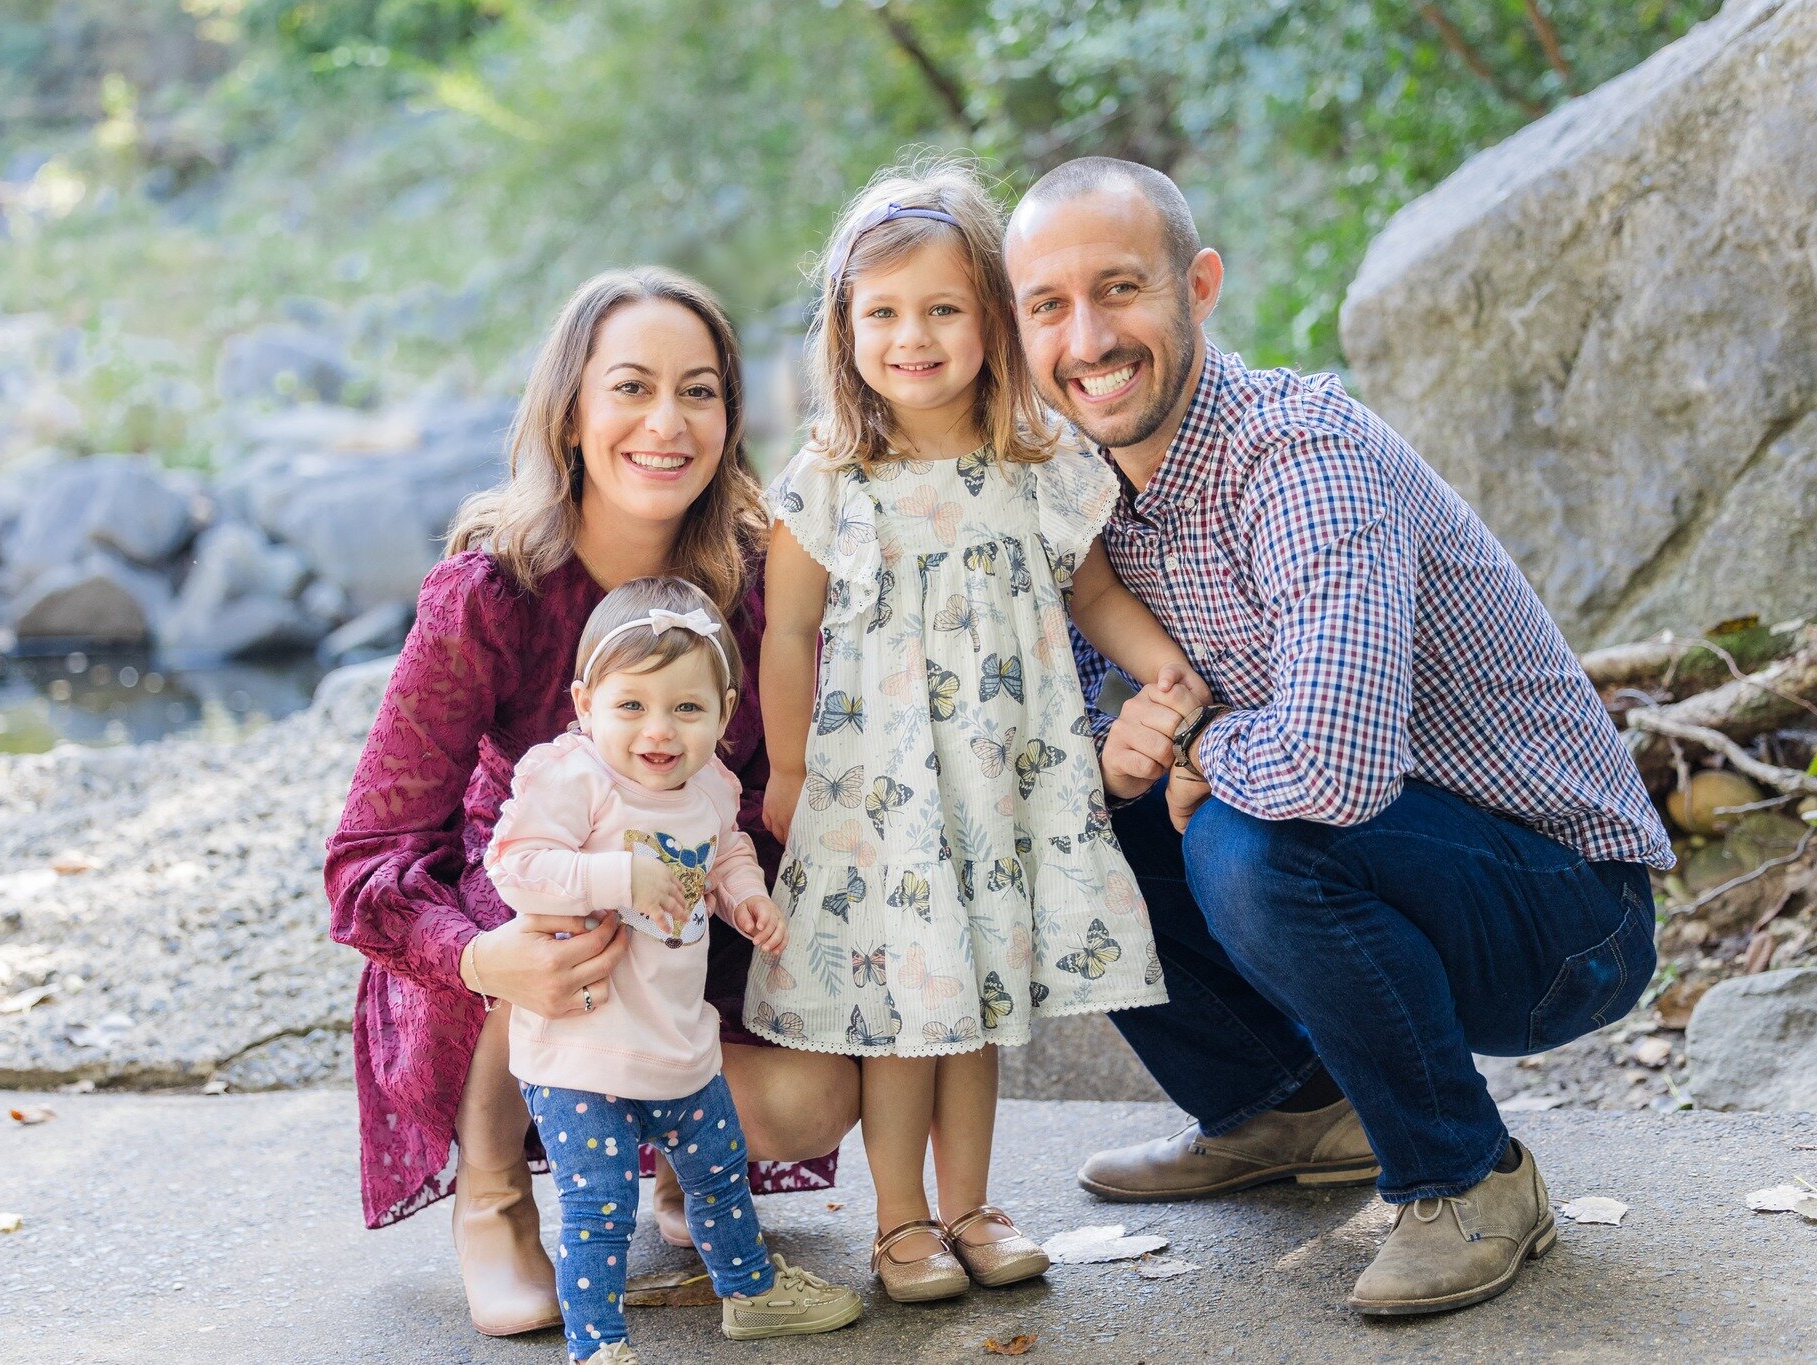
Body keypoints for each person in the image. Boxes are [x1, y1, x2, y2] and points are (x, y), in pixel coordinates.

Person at [1002, 156, 1675, 1316]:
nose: (1088, 337)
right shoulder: (1083, 497)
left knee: (1249, 839)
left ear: (1197, 286)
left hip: (1565, 913)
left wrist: (1196, 751)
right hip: (1393, 864)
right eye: (1048, 306)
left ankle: (1468, 1177)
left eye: (1119, 289)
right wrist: (1118, 757)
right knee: (1064, 817)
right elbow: (1064, 737)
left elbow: (1330, 771)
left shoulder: (1300, 460)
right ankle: (1286, 1109)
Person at [324, 268, 859, 1339]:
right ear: (571, 411)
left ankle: (676, 1171)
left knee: (811, 1101)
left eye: (698, 392)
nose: (666, 422)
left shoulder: (758, 586)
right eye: (631, 388)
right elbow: (363, 861)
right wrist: (481, 960)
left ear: (729, 415)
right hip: (512, 949)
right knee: (554, 910)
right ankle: (495, 1195)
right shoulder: (490, 595)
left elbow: (770, 797)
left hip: (687, 931)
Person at [744, 158, 1203, 1304]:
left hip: (1000, 783)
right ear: (842, 328)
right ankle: (900, 1224)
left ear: (990, 318)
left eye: (943, 308)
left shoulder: (1032, 460)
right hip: (878, 789)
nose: (914, 336)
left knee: (977, 1013)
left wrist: (1158, 666)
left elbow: (1088, 591)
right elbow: (786, 632)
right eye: (883, 313)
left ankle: (972, 1208)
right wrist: (790, 767)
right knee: (907, 1016)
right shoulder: (832, 479)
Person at [487, 576, 864, 1363]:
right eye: (632, 706)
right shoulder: (575, 777)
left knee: (720, 1175)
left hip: (678, 1043)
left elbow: (725, 849)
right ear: (585, 703)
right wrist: (620, 877)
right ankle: (599, 1343)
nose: (659, 730)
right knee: (598, 1204)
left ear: (724, 714)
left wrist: (746, 895)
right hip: (581, 1054)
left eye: (686, 708)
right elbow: (515, 864)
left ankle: (750, 1291)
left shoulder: (711, 786)